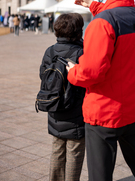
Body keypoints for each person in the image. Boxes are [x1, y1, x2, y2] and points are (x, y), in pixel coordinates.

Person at [67, 0, 135, 181]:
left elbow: (91, 73)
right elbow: (121, 16)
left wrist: (72, 71)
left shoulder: (102, 23)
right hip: (133, 110)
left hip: (104, 113)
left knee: (100, 175)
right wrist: (94, 5)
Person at [39, 13, 86, 181]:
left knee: (57, 150)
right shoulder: (82, 52)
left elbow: (42, 76)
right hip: (76, 113)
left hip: (54, 107)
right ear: (78, 31)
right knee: (74, 152)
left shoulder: (50, 51)